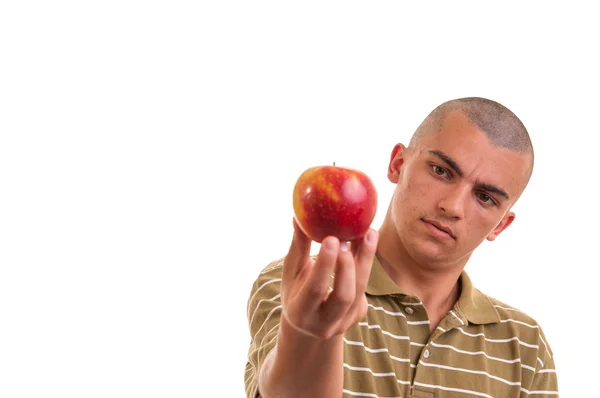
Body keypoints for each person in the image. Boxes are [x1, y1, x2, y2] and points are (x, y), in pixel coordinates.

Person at [244, 97, 559, 397]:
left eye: (485, 197)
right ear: (398, 164)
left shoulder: (525, 345)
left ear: (501, 225)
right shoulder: (304, 287)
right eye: (440, 171)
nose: (452, 206)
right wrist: (308, 335)